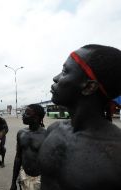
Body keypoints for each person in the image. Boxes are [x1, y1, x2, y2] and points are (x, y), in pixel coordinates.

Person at [38, 44, 121, 190]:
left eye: (65, 71)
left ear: (89, 87)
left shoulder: (116, 156)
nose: (55, 78)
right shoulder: (54, 130)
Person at [10, 104, 46, 190]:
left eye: (27, 113)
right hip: (24, 176)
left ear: (36, 118)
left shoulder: (46, 135)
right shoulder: (21, 133)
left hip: (40, 180)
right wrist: (13, 182)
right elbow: (18, 158)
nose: (23, 115)